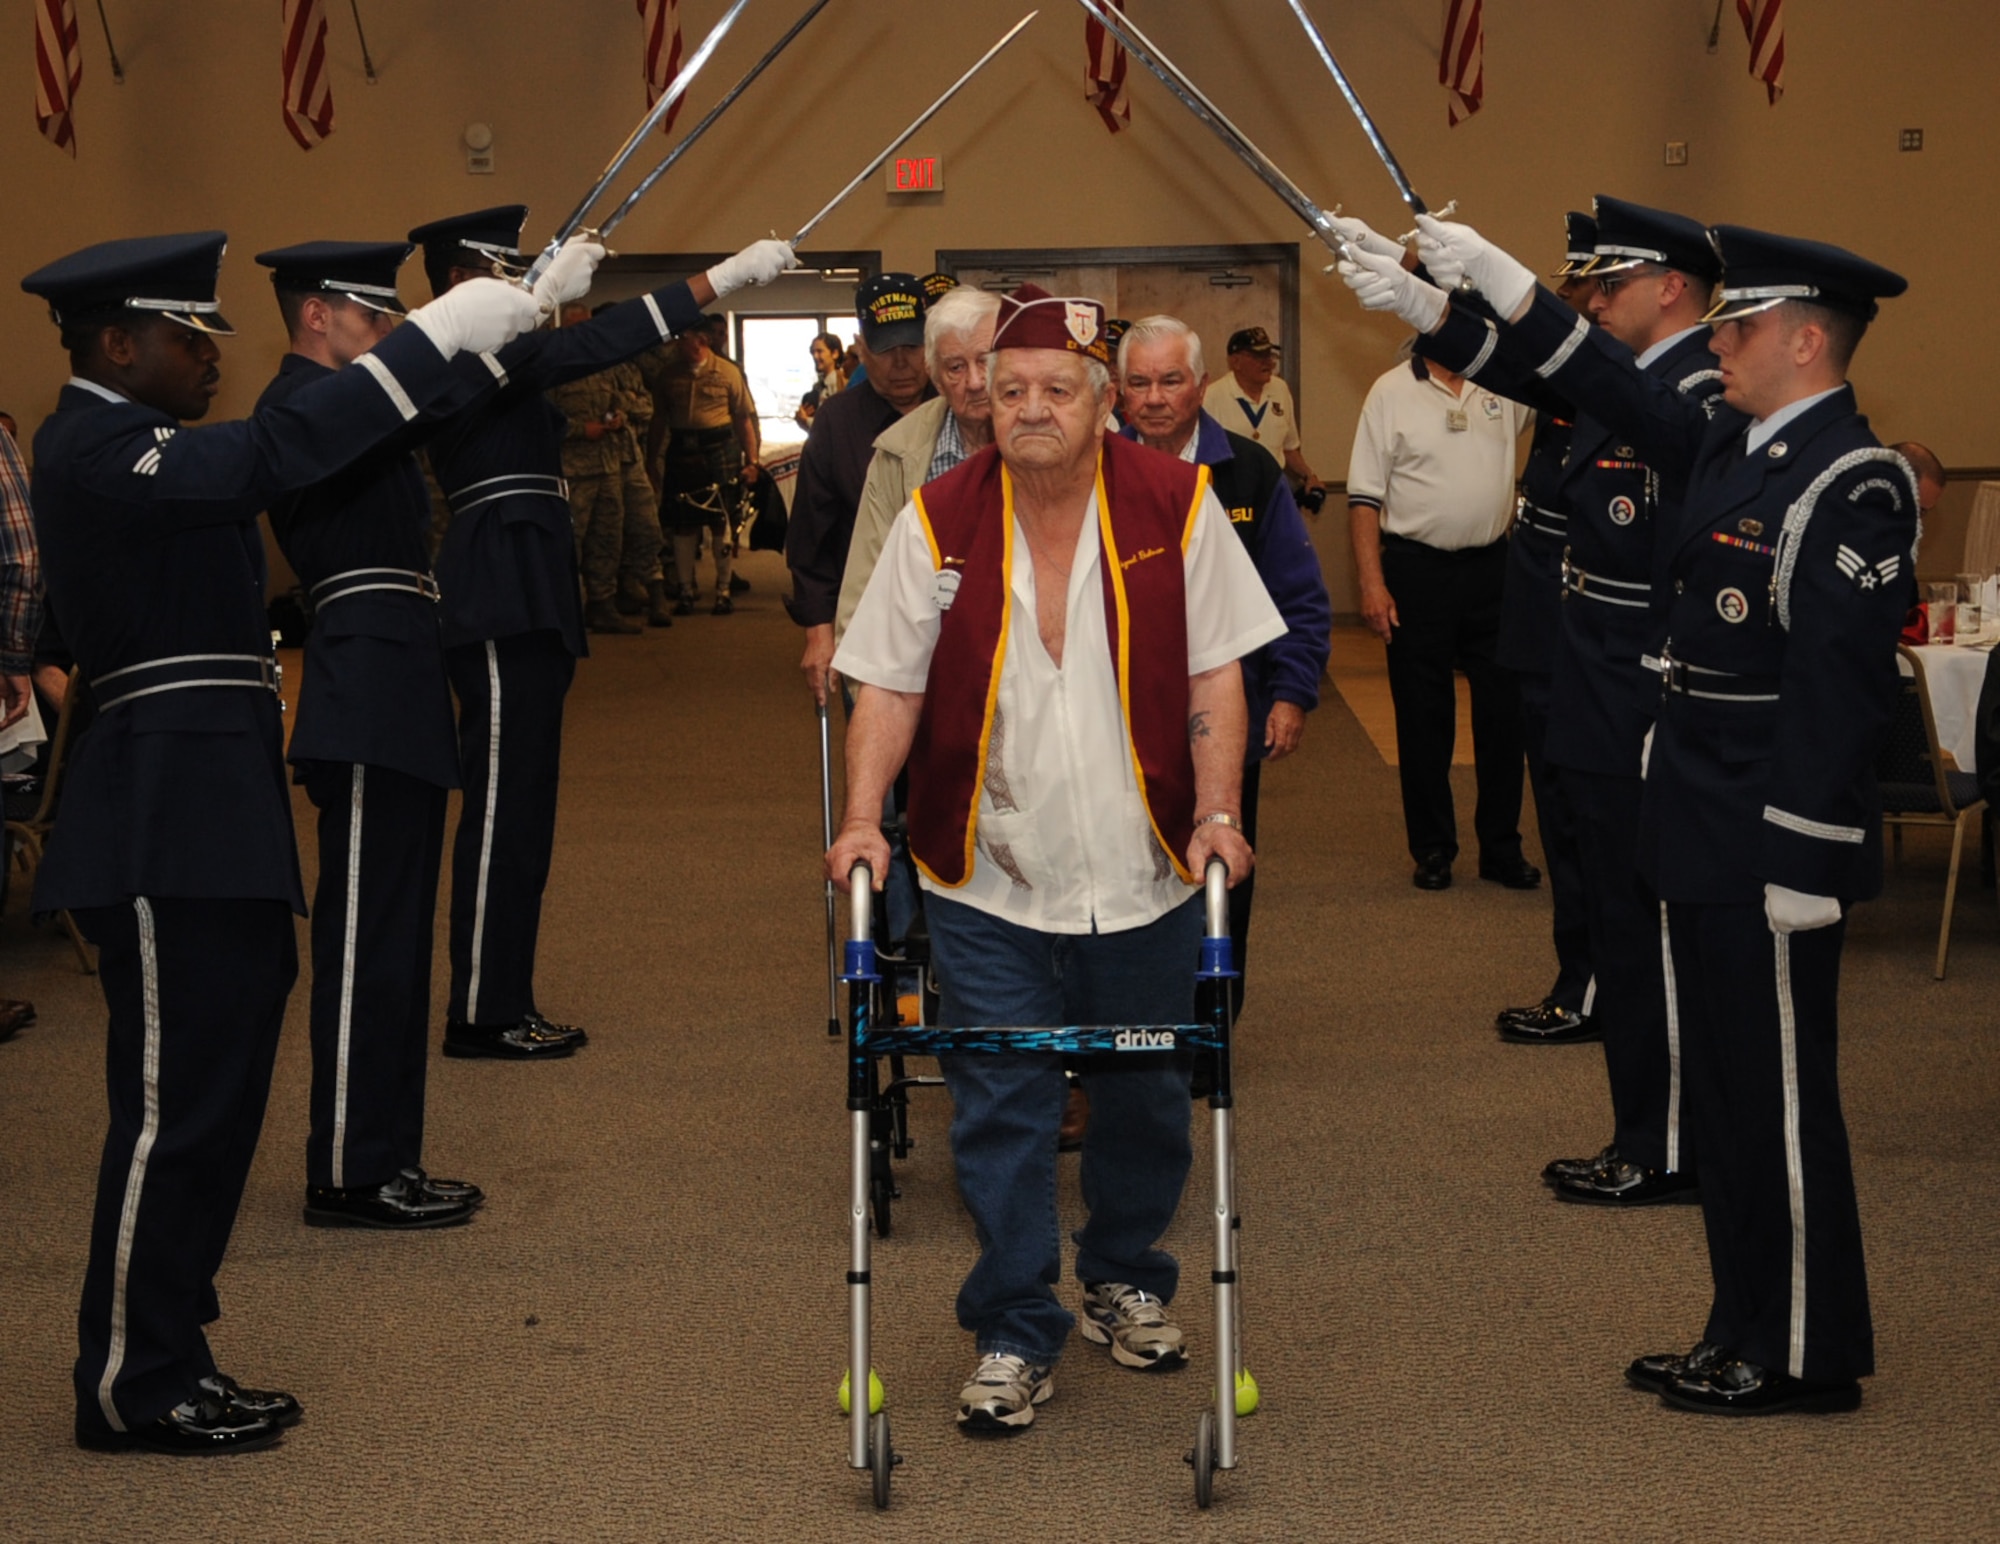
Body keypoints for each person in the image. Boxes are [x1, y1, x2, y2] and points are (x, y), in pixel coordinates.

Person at [21, 228, 542, 1455]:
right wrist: (433, 335)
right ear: (116, 344)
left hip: (218, 801)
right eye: (186, 333)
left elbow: (293, 456)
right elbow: (276, 448)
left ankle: (173, 1339)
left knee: (225, 1087)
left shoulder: (148, 443)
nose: (212, 353)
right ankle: (131, 1377)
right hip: (159, 811)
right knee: (175, 1106)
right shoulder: (92, 442)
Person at [1388, 212, 1911, 1416]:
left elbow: (1837, 695)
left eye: (1740, 325)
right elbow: (1610, 386)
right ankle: (1742, 1326)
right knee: (1722, 1093)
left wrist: (1805, 859)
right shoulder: (1733, 441)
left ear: (1803, 340)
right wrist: (1483, 296)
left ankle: (1802, 1347)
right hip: (1696, 817)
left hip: (1766, 839)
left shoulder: (1849, 479)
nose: (1716, 343)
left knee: (1775, 1101)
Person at [827, 283, 1284, 1432]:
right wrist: (863, 817)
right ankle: (1012, 1321)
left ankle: (1123, 1274)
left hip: (1144, 864)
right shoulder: (935, 517)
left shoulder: (1177, 504)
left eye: (1057, 389)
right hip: (984, 869)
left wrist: (1217, 808)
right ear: (982, 400)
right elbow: (886, 682)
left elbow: (1216, 670)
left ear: (1101, 401)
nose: (1031, 407)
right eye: (1010, 388)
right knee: (1000, 1100)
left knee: (1145, 1093)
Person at [408, 207, 794, 1061]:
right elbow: (596, 342)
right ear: (460, 282)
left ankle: (503, 996)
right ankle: (481, 1011)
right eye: (502, 273)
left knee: (525, 810)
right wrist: (723, 278)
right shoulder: (456, 354)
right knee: (503, 813)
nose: (517, 287)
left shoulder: (497, 352)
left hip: (530, 593)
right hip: (497, 596)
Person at [252, 240, 485, 1232]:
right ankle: (347, 1168)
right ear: (318, 314)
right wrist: (452, 326)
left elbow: (450, 393)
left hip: (399, 681)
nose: (386, 329)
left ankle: (387, 1155)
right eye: (371, 312)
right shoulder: (301, 407)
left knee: (396, 941)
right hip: (361, 689)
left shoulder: (356, 402)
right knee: (361, 944)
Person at [1117, 313, 1331, 1013]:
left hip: (1229, 711)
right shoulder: (1090, 470)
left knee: (1220, 865)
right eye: (1139, 383)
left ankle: (1212, 1024)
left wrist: (1292, 693)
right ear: (1118, 392)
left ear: (1201, 385)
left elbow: (1298, 593)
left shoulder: (1251, 469)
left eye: (1170, 380)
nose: (1154, 398)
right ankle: (1131, 1020)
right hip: (1118, 717)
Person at [1346, 341, 1538, 891]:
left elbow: (1554, 376)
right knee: (1422, 716)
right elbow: (1363, 498)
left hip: (1493, 569)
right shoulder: (1389, 391)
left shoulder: (1503, 381)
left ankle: (1501, 848)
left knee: (1505, 717)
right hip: (1417, 571)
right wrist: (1372, 584)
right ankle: (1433, 848)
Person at [1487, 214, 1600, 1046]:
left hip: (1585, 656)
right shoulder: (1575, 393)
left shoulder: (1610, 392)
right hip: (1542, 646)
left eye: (1583, 290)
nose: (1568, 302)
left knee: (1586, 831)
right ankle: (1581, 977)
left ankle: (1592, 985)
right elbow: (1504, 355)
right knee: (1562, 827)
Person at [788, 272, 934, 704]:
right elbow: (812, 539)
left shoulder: (962, 409)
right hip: (870, 623)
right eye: (886, 350)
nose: (901, 363)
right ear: (860, 348)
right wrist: (818, 633)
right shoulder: (837, 422)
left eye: (912, 347)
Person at [835, 285, 1000, 645]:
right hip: (925, 657)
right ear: (934, 376)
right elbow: (864, 591)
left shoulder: (1051, 443)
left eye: (986, 360)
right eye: (956, 367)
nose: (974, 382)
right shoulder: (896, 454)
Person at [549, 301, 670, 633]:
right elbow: (541, 421)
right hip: (573, 471)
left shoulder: (603, 363)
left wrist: (616, 416)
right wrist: (579, 429)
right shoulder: (552, 367)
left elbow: (627, 404)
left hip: (609, 464)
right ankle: (563, 611)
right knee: (569, 543)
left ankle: (602, 605)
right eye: (577, 326)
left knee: (608, 539)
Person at [645, 315, 760, 615]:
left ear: (701, 341)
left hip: (720, 448)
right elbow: (659, 420)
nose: (676, 343)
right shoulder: (668, 375)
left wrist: (753, 461)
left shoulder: (728, 372)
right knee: (683, 524)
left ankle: (723, 591)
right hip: (682, 450)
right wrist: (650, 460)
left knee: (721, 519)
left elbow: (743, 419)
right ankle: (686, 591)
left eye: (682, 338)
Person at [1202, 326, 1323, 500]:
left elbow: (1289, 449)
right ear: (1236, 362)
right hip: (1230, 493)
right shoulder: (1211, 397)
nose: (1268, 362)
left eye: (1269, 355)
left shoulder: (1280, 389)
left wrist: (1310, 476)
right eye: (1258, 356)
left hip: (1273, 489)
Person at [794, 331, 846, 432]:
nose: (815, 356)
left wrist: (806, 420)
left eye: (819, 351)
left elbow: (837, 424)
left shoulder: (842, 385)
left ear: (834, 353)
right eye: (813, 352)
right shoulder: (818, 387)